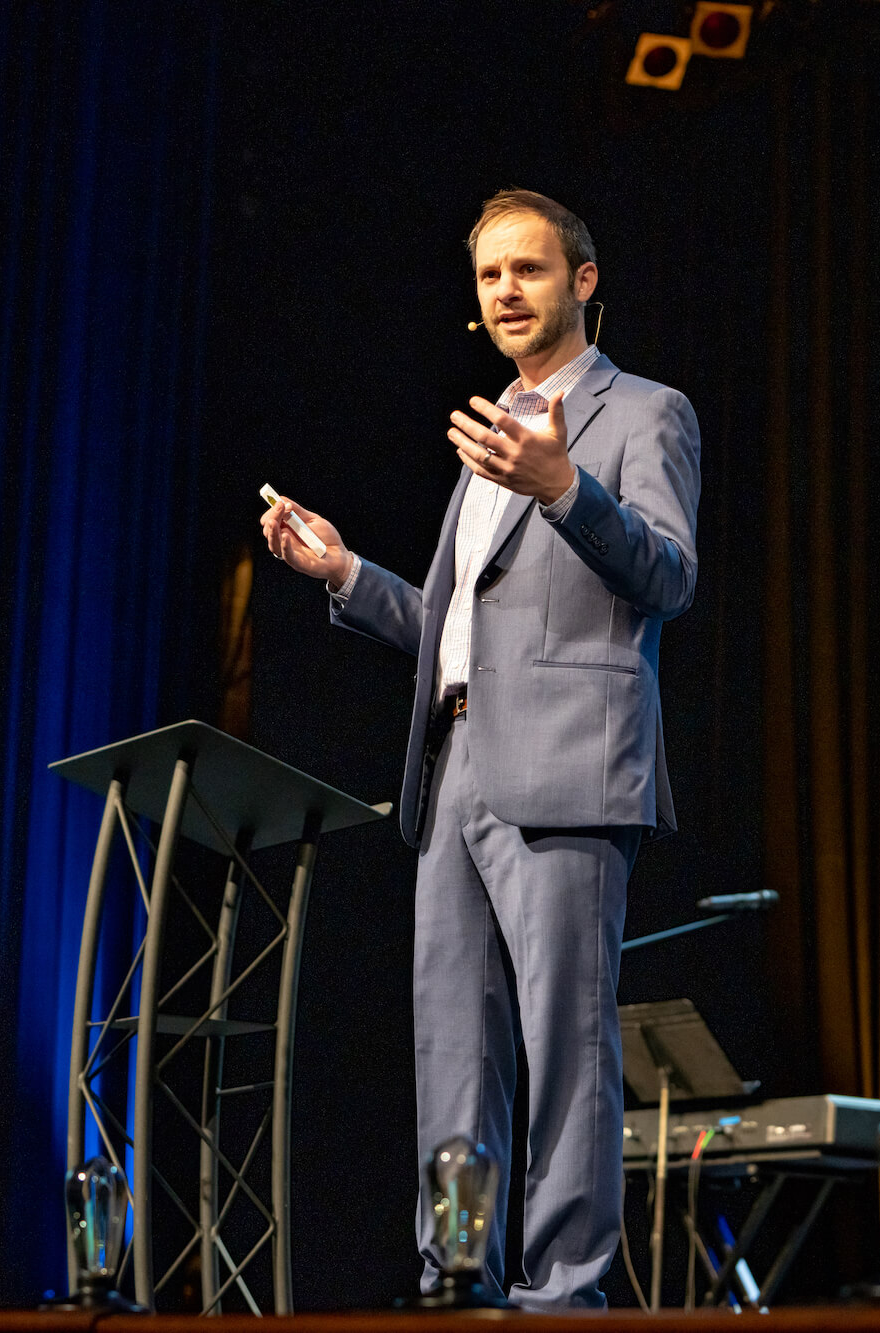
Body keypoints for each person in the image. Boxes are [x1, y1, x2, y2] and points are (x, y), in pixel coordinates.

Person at [261, 189, 699, 1310]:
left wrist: (561, 487)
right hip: (451, 768)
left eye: (529, 271)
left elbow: (667, 575)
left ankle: (564, 1291)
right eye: (489, 276)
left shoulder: (641, 413)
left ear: (582, 282)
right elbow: (462, 634)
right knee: (451, 1050)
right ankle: (455, 1276)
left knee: (565, 1050)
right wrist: (346, 576)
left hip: (566, 769)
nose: (505, 291)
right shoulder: (490, 434)